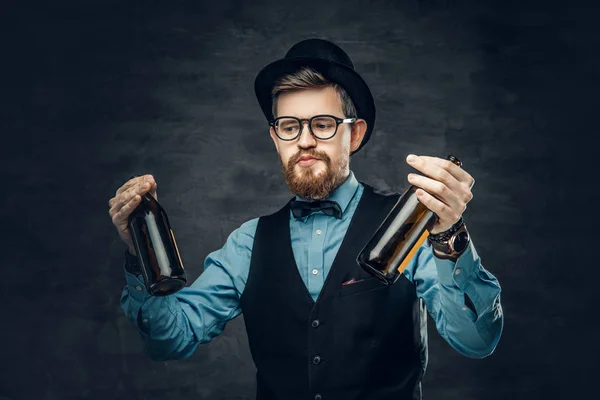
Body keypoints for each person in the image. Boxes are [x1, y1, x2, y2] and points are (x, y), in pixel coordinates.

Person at [108, 38, 503, 400]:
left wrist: (449, 234)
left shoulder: (410, 228)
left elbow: (476, 340)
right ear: (275, 138)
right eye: (290, 126)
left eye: (323, 124)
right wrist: (138, 251)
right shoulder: (248, 244)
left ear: (354, 134)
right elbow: (168, 341)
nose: (305, 140)